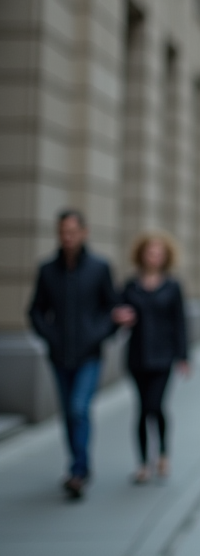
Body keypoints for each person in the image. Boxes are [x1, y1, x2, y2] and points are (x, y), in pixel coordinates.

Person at [27, 210, 125, 500]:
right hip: (59, 355)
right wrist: (50, 337)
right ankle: (77, 465)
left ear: (84, 232)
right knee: (69, 413)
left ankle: (78, 470)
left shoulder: (99, 268)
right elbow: (35, 311)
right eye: (62, 232)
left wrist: (100, 334)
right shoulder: (47, 270)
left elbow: (113, 309)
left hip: (89, 354)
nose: (67, 238)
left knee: (79, 408)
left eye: (72, 232)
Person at [116, 232, 190, 483]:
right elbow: (118, 315)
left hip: (163, 356)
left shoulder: (172, 286)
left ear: (165, 257)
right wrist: (119, 319)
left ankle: (163, 453)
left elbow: (180, 322)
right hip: (137, 355)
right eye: (150, 252)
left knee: (154, 406)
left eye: (158, 253)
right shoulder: (130, 285)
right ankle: (142, 464)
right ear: (141, 255)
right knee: (140, 409)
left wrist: (183, 356)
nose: (154, 256)